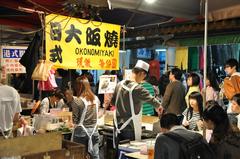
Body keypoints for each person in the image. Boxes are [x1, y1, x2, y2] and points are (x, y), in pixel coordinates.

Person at [111, 60, 162, 144]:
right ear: (141, 73)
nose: (143, 79)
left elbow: (113, 103)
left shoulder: (119, 84)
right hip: (130, 127)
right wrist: (159, 109)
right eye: (144, 77)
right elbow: (155, 102)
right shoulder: (138, 88)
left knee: (119, 153)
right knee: (129, 153)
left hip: (117, 125)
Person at [72, 76, 100, 159]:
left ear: (78, 86)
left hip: (81, 132)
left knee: (79, 156)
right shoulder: (96, 98)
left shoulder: (77, 101)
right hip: (94, 131)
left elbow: (75, 120)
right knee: (95, 156)